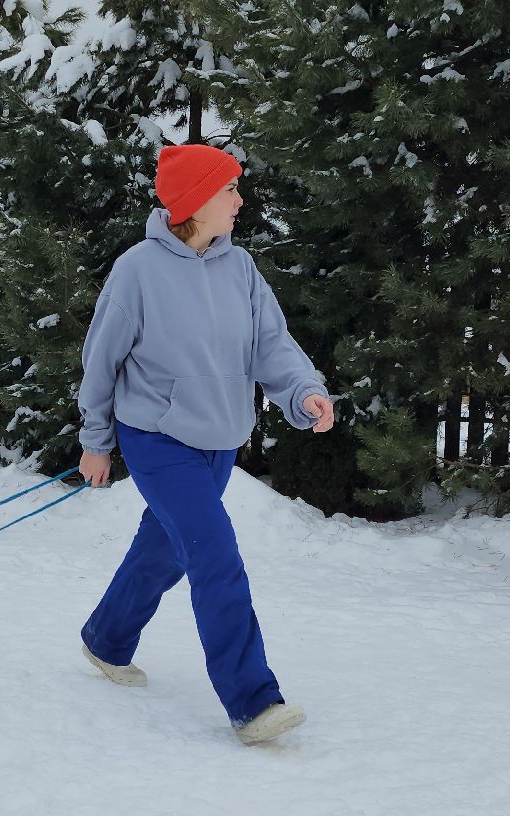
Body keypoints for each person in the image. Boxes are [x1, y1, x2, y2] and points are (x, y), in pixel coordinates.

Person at [75, 142, 335, 746]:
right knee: (215, 554)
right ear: (196, 202)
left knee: (163, 551)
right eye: (229, 191)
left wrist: (303, 394)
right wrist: (97, 441)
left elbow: (273, 345)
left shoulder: (239, 267)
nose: (240, 201)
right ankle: (253, 700)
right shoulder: (137, 270)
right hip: (156, 437)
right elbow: (100, 362)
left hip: (218, 442)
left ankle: (106, 639)